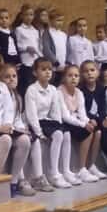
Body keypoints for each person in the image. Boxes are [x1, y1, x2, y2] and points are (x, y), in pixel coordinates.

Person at [24, 56, 72, 189]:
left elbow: (55, 112)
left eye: (50, 69)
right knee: (58, 134)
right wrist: (39, 133)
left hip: (46, 120)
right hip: (34, 123)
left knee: (65, 133)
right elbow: (31, 115)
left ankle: (65, 171)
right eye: (43, 69)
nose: (47, 72)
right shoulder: (31, 90)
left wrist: (59, 125)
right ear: (35, 73)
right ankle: (53, 174)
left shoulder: (53, 89)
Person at [0, 62, 41, 195]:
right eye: (7, 77)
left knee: (32, 138)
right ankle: (20, 180)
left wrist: (23, 129)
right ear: (0, 80)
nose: (11, 79)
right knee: (23, 140)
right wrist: (18, 130)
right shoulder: (0, 95)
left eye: (14, 76)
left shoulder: (17, 97)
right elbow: (1, 117)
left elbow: (17, 119)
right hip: (2, 130)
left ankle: (37, 177)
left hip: (14, 129)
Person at [59, 63, 98, 183]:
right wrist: (83, 124)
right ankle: (81, 169)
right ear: (64, 77)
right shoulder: (59, 91)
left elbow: (82, 113)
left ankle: (84, 168)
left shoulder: (79, 92)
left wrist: (88, 122)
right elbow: (65, 116)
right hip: (62, 121)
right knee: (86, 130)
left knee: (92, 129)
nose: (73, 78)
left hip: (75, 120)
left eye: (76, 76)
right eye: (70, 75)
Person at [77, 60, 107, 179]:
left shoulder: (101, 88)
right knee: (95, 130)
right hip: (83, 119)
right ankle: (83, 168)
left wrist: (106, 118)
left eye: (92, 70)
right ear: (82, 74)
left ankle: (91, 165)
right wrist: (93, 119)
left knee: (101, 131)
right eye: (86, 71)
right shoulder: (81, 90)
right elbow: (82, 110)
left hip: (96, 120)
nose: (89, 73)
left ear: (98, 72)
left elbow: (102, 109)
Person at [14, 3, 41, 94]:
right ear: (21, 16)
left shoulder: (35, 31)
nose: (29, 17)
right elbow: (17, 46)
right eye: (26, 15)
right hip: (26, 62)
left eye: (31, 15)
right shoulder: (19, 29)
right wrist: (26, 48)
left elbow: (38, 47)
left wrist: (41, 57)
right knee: (26, 87)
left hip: (35, 62)